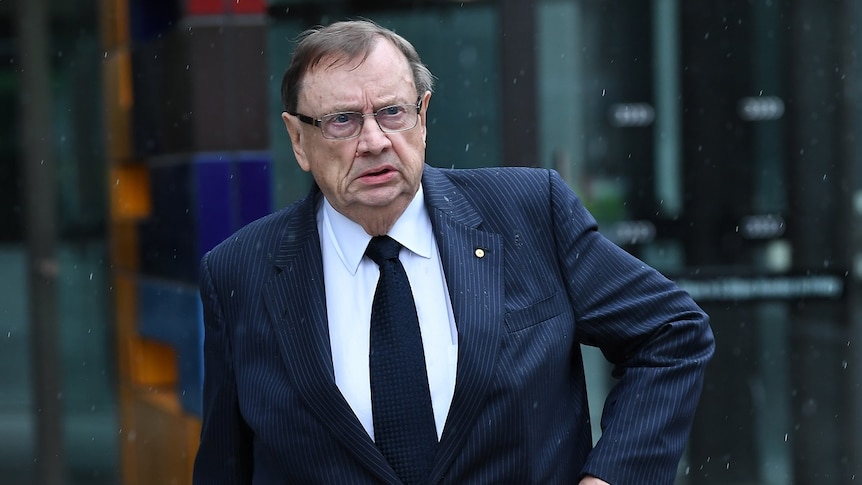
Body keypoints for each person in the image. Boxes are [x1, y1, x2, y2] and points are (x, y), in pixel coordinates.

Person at [193, 19, 715, 485]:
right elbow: (225, 464)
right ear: (298, 140)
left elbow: (671, 334)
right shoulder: (240, 272)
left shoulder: (529, 213)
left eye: (392, 112)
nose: (374, 140)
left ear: (422, 116)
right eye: (343, 121)